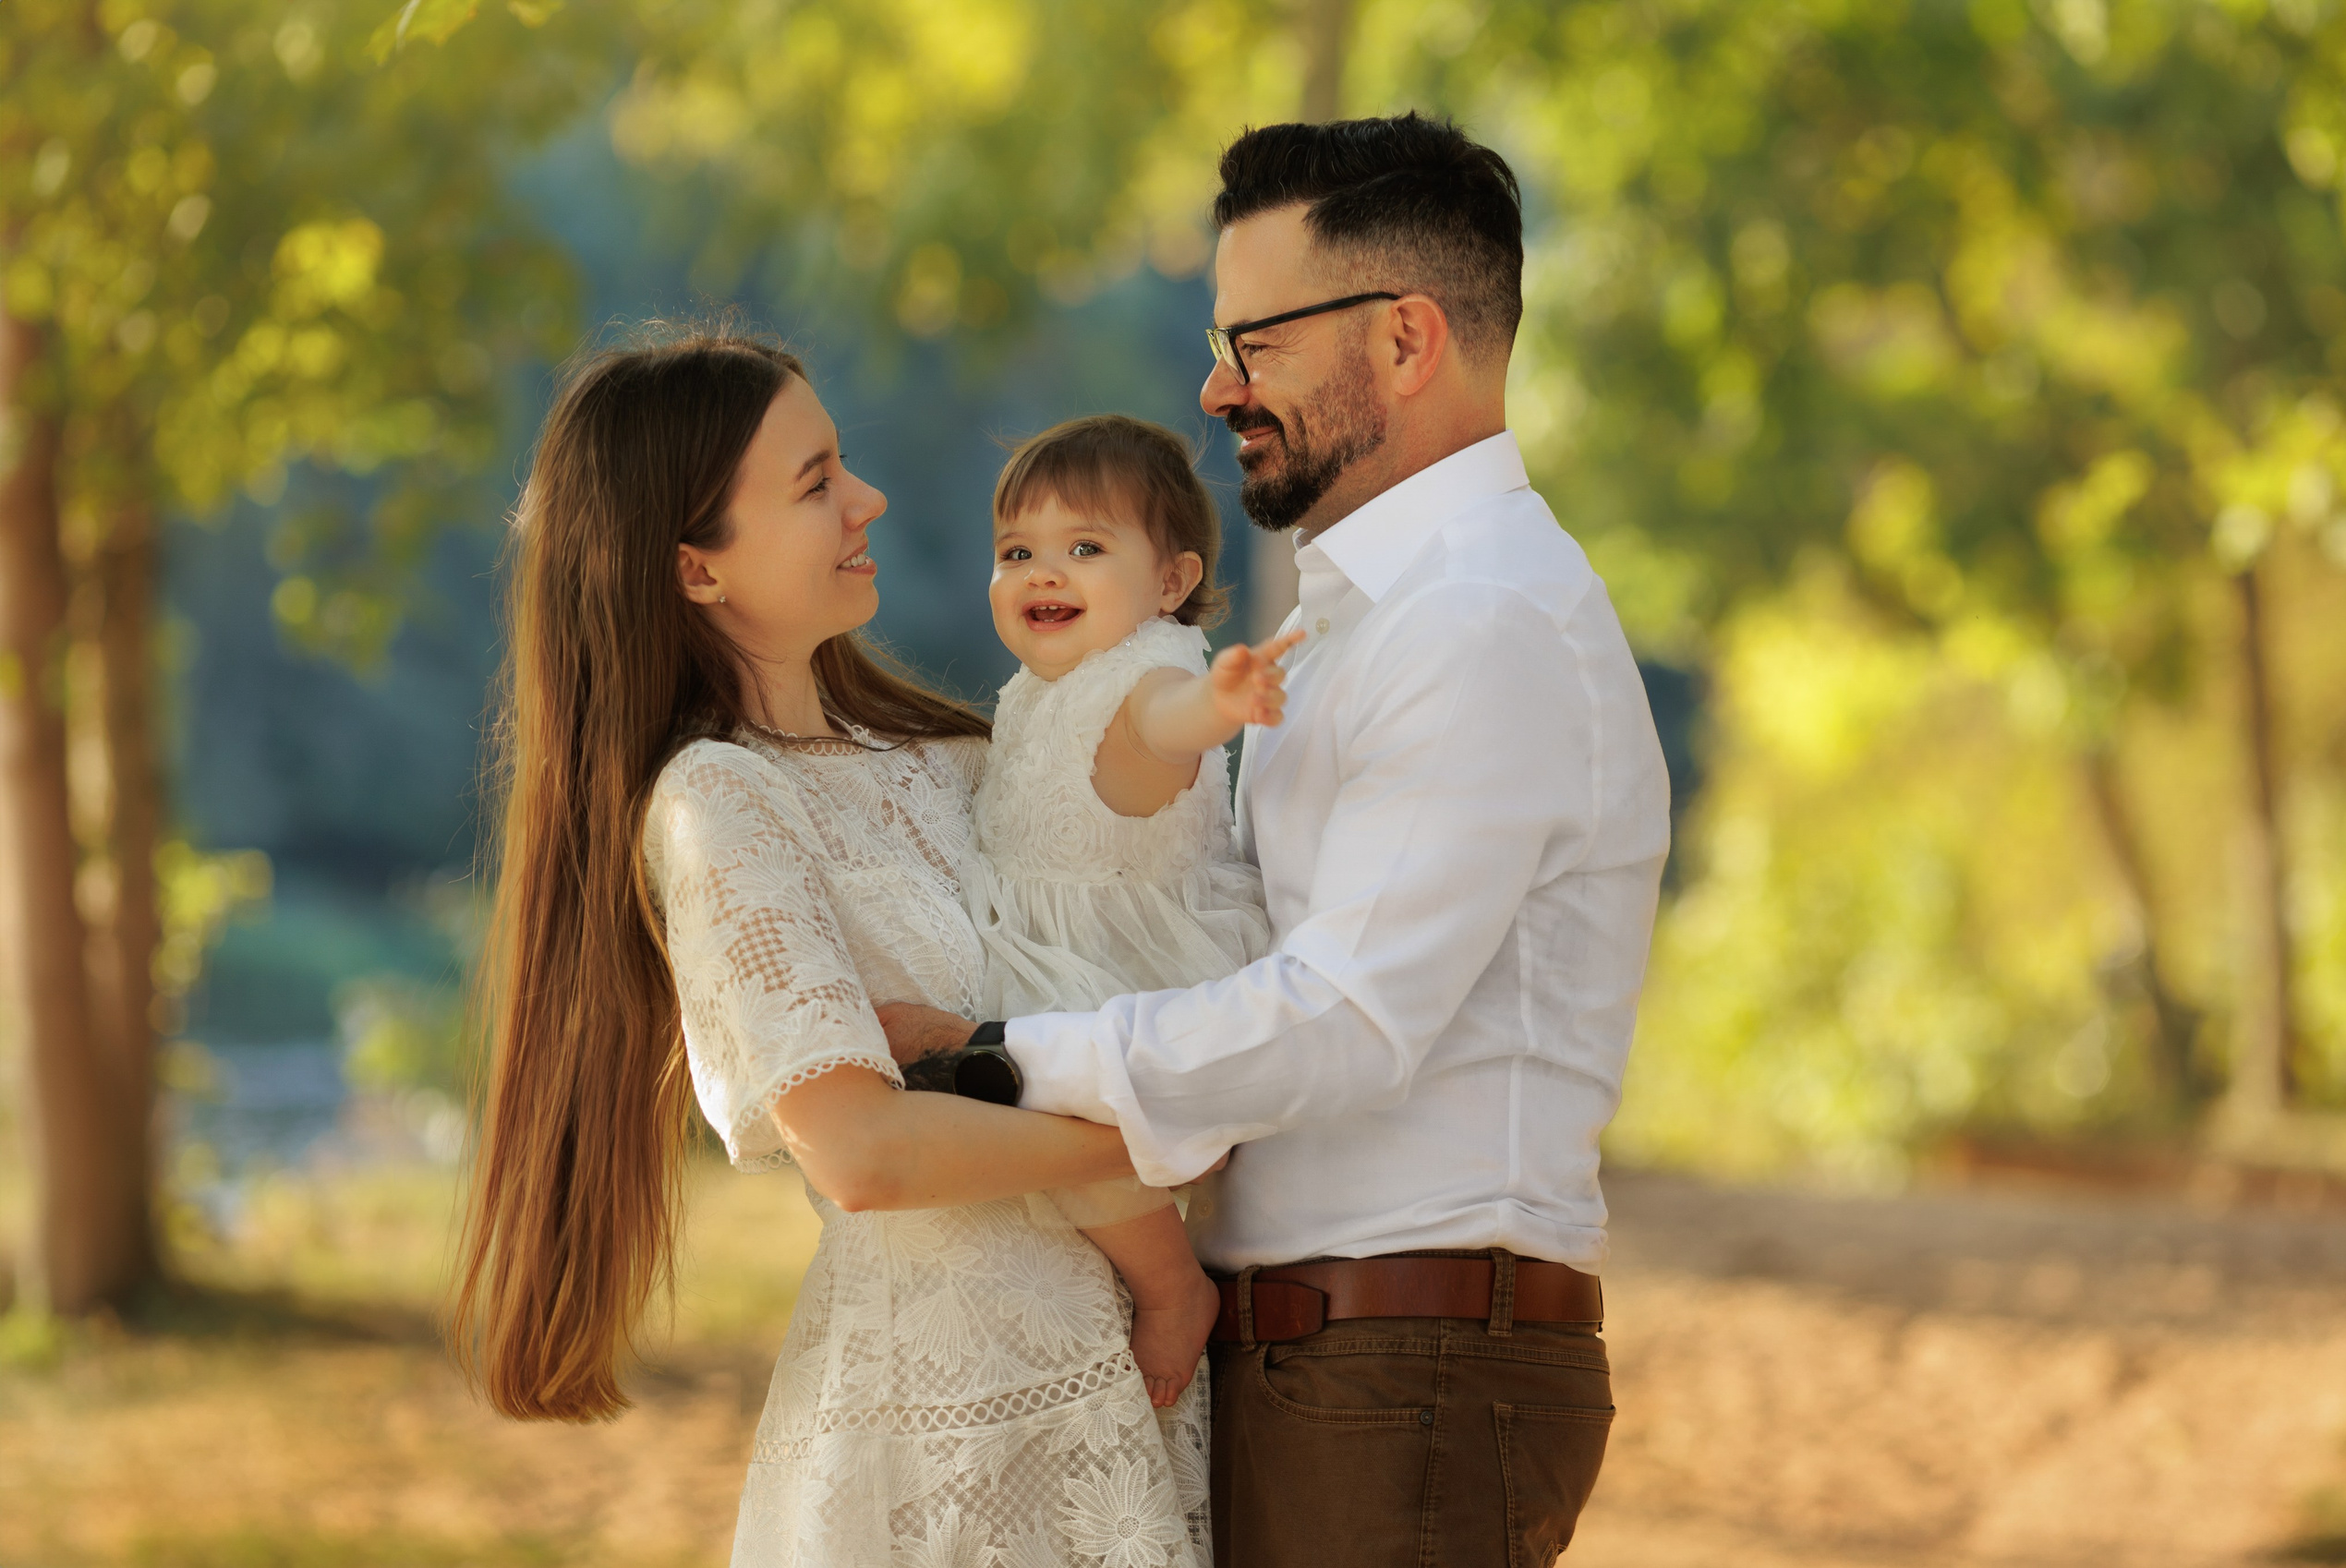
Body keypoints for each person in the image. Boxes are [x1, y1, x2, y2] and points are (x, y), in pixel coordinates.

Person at [879, 114, 1672, 1567]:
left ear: (1408, 341)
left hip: (1405, 1373)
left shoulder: (1479, 620)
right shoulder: (1350, 622)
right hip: (1335, 1361)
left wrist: (995, 1054)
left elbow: (1346, 1018)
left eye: (1257, 342)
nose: (1214, 383)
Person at [450, 329, 1214, 1567]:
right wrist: (1160, 1128)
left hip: (1131, 1378)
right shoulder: (720, 804)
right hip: (945, 1428)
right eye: (814, 483)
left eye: (842, 464)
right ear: (697, 568)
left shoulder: (962, 761)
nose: (870, 499)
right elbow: (863, 1148)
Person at [961, 414, 1300, 1410]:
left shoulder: (1150, 673)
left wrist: (1220, 705)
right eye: (1015, 552)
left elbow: (1166, 726)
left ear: (1169, 584)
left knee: (1057, 1109)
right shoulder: (1035, 688)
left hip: (1121, 964)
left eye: (1084, 548)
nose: (1041, 574)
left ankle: (1169, 1289)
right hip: (1055, 949)